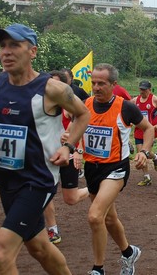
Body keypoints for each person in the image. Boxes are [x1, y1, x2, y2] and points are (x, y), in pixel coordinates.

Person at [0, 23, 90, 274]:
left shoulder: (52, 89)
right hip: (5, 178)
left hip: (37, 180)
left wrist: (67, 147)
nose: (6, 52)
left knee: (0, 256)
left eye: (15, 45)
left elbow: (83, 114)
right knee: (39, 248)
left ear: (32, 51)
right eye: (2, 46)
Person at [80, 63, 156, 275]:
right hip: (92, 168)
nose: (96, 87)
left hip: (116, 169)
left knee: (95, 216)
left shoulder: (125, 107)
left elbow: (149, 128)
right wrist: (71, 145)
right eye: (93, 83)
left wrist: (144, 152)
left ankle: (98, 269)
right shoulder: (85, 104)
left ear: (113, 84)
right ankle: (128, 252)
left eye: (101, 83)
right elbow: (75, 129)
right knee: (109, 218)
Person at [43, 70, 90, 245]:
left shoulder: (69, 108)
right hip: (48, 157)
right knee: (45, 193)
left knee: (70, 199)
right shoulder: (39, 104)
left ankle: (93, 188)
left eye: (55, 83)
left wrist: (76, 149)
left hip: (68, 155)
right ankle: (52, 229)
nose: (51, 87)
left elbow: (82, 123)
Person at [131, 80, 157, 186]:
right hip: (138, 130)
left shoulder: (154, 99)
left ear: (149, 90)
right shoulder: (135, 100)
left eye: (144, 90)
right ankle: (147, 177)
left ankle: (154, 157)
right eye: (141, 89)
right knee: (140, 152)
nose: (142, 91)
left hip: (150, 131)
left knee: (144, 153)